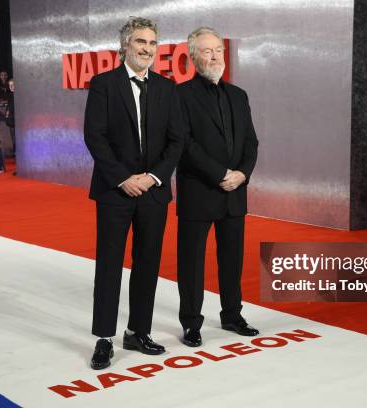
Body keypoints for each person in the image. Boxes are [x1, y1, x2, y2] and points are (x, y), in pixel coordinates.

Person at [84, 17, 183, 369]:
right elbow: (95, 137)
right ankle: (104, 338)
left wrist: (154, 177)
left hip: (153, 193)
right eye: (140, 42)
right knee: (109, 265)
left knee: (147, 264)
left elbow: (177, 140)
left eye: (153, 43)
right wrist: (124, 178)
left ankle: (138, 331)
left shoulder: (167, 88)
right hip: (115, 191)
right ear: (125, 45)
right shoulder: (103, 84)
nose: (147, 48)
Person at [176, 27, 260, 348]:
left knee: (232, 258)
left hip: (235, 192)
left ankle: (232, 315)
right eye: (207, 51)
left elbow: (251, 143)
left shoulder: (239, 95)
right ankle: (191, 323)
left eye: (218, 51)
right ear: (194, 56)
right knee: (192, 262)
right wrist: (220, 173)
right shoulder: (180, 95)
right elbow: (185, 144)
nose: (214, 57)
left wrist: (241, 174)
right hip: (199, 190)